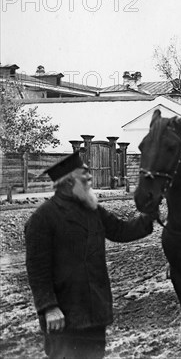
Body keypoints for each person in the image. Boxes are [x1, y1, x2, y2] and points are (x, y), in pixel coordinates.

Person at [25, 152, 156, 359]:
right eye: (84, 175)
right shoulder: (42, 218)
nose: (90, 179)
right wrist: (49, 307)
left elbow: (121, 231)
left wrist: (150, 215)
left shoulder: (92, 210)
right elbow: (37, 270)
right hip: (64, 317)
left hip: (94, 311)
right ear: (68, 182)